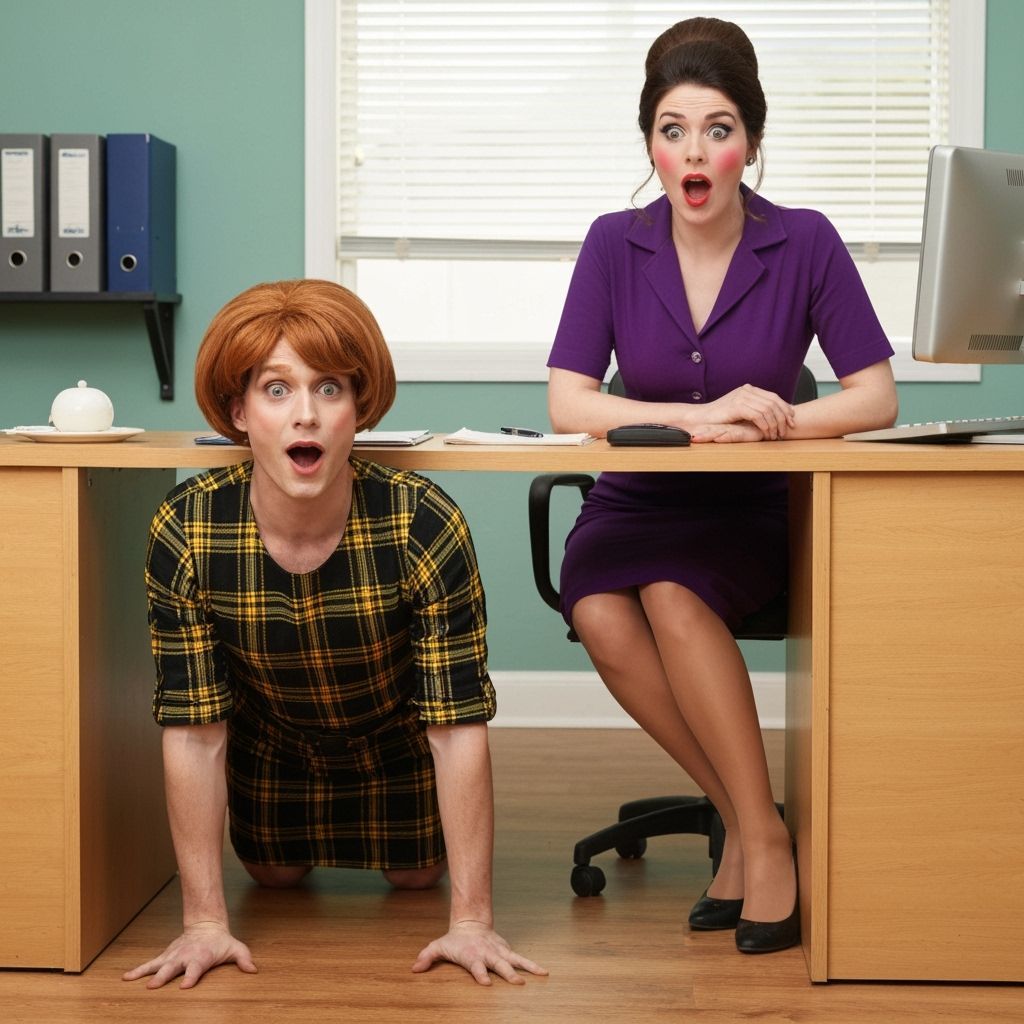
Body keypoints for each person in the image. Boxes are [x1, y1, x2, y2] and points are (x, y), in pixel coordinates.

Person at [546, 18, 898, 954]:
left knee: (671, 587)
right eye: (672, 129)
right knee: (602, 605)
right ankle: (749, 818)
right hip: (637, 495)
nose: (693, 150)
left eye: (716, 127)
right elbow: (569, 398)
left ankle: (763, 842)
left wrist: (771, 417)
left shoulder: (807, 241)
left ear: (749, 142)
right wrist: (697, 418)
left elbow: (875, 395)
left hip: (745, 505)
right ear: (650, 144)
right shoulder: (614, 244)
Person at [124, 279, 546, 988]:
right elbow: (195, 733)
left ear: (360, 410)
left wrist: (471, 920)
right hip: (275, 747)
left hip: (393, 743)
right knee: (273, 876)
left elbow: (456, 727)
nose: (306, 417)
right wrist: (203, 922)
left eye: (329, 390)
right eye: (277, 390)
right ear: (239, 412)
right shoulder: (185, 529)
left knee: (415, 879)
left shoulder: (424, 522)